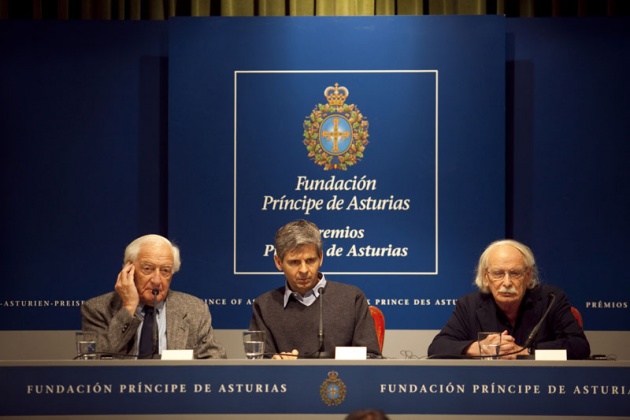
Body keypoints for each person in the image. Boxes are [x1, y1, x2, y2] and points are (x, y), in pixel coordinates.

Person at [428, 239, 590, 360]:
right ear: (486, 276)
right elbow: (436, 348)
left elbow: (579, 347)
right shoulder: (469, 305)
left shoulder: (551, 299)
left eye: (515, 273)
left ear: (527, 275)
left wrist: (526, 351)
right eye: (498, 273)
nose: (506, 282)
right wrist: (479, 348)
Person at [250, 219, 381, 359]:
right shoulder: (264, 306)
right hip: (288, 379)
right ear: (278, 262)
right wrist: (277, 363)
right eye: (294, 262)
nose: (304, 270)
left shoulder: (352, 298)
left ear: (321, 258)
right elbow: (260, 364)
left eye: (310, 260)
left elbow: (371, 357)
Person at [81, 234, 226, 359]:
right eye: (147, 269)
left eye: (165, 271)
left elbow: (215, 361)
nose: (157, 280)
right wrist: (128, 307)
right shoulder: (97, 309)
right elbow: (98, 362)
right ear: (128, 270)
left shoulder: (194, 309)